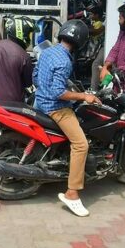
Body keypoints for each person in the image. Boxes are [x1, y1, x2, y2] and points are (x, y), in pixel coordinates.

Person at [33, 20, 100, 217]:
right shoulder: (65, 61)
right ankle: (72, 193)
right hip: (55, 108)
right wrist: (84, 96)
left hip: (39, 102)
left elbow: (35, 76)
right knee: (81, 145)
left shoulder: (47, 51)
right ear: (80, 41)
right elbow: (58, 93)